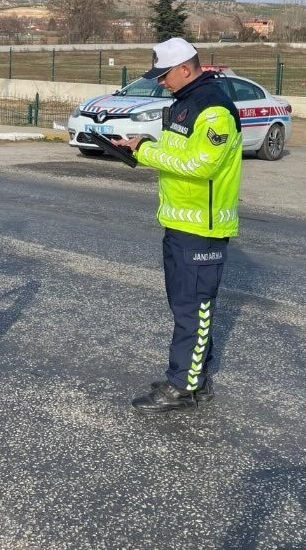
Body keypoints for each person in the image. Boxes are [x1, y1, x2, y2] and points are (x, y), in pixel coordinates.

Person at [115, 37, 243, 414]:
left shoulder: (213, 110)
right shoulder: (186, 103)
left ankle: (182, 386)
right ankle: (194, 378)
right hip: (181, 222)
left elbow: (201, 165)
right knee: (186, 305)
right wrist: (142, 144)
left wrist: (145, 151)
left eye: (164, 75)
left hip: (202, 227)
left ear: (185, 69)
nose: (160, 82)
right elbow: (178, 153)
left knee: (195, 308)